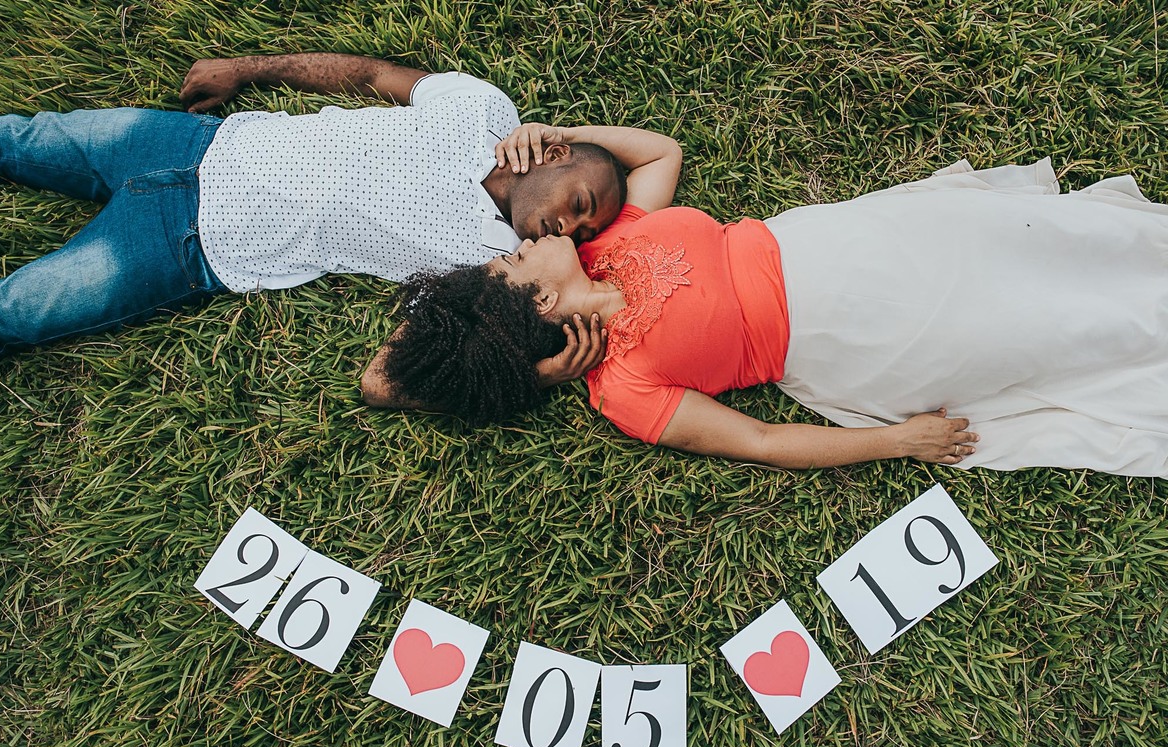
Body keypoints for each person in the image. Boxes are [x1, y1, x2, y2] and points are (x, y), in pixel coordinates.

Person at [363, 132, 1168, 478]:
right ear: (538, 298)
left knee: (1035, 247)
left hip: (843, 244)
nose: (525, 237)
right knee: (1045, 327)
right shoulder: (622, 387)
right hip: (851, 335)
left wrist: (558, 135)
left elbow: (659, 151)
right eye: (514, 257)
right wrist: (898, 442)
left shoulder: (610, 238)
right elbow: (761, 440)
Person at [0, 53, 680, 377]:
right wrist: (247, 68)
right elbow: (371, 75)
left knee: (2, 315)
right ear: (552, 152)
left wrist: (541, 373)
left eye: (584, 232)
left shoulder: (492, 264)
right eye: (579, 204)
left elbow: (417, 372)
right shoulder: (484, 109)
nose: (571, 231)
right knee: (5, 140)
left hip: (191, 244)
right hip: (190, 140)